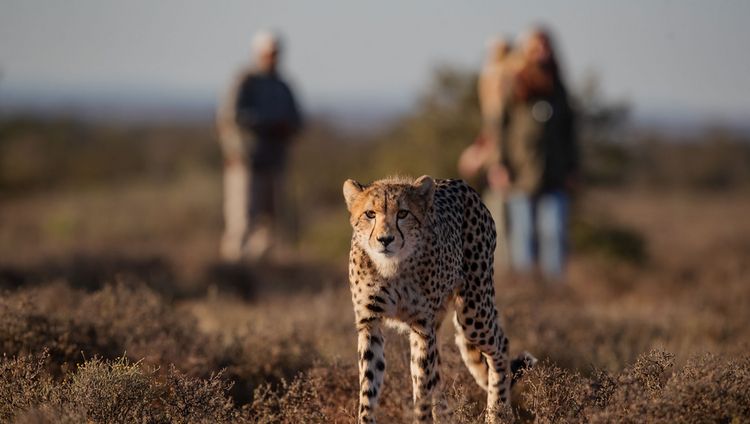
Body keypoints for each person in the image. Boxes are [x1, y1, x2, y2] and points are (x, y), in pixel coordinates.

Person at [497, 27, 579, 282]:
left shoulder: (559, 86)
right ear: (526, 51)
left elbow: (570, 131)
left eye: (546, 46)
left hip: (555, 174)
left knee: (554, 231)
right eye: (536, 47)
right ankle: (526, 286)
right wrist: (500, 165)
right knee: (524, 233)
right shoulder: (515, 83)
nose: (541, 52)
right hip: (522, 174)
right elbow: (500, 126)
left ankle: (555, 288)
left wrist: (573, 168)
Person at [216, 30, 303, 262]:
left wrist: (285, 128)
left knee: (270, 224)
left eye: (276, 53)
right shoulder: (245, 82)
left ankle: (261, 275)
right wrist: (265, 124)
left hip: (275, 163)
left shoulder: (283, 86)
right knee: (242, 221)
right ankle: (232, 272)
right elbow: (230, 117)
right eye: (268, 53)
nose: (273, 58)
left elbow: (297, 120)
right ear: (258, 53)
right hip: (245, 162)